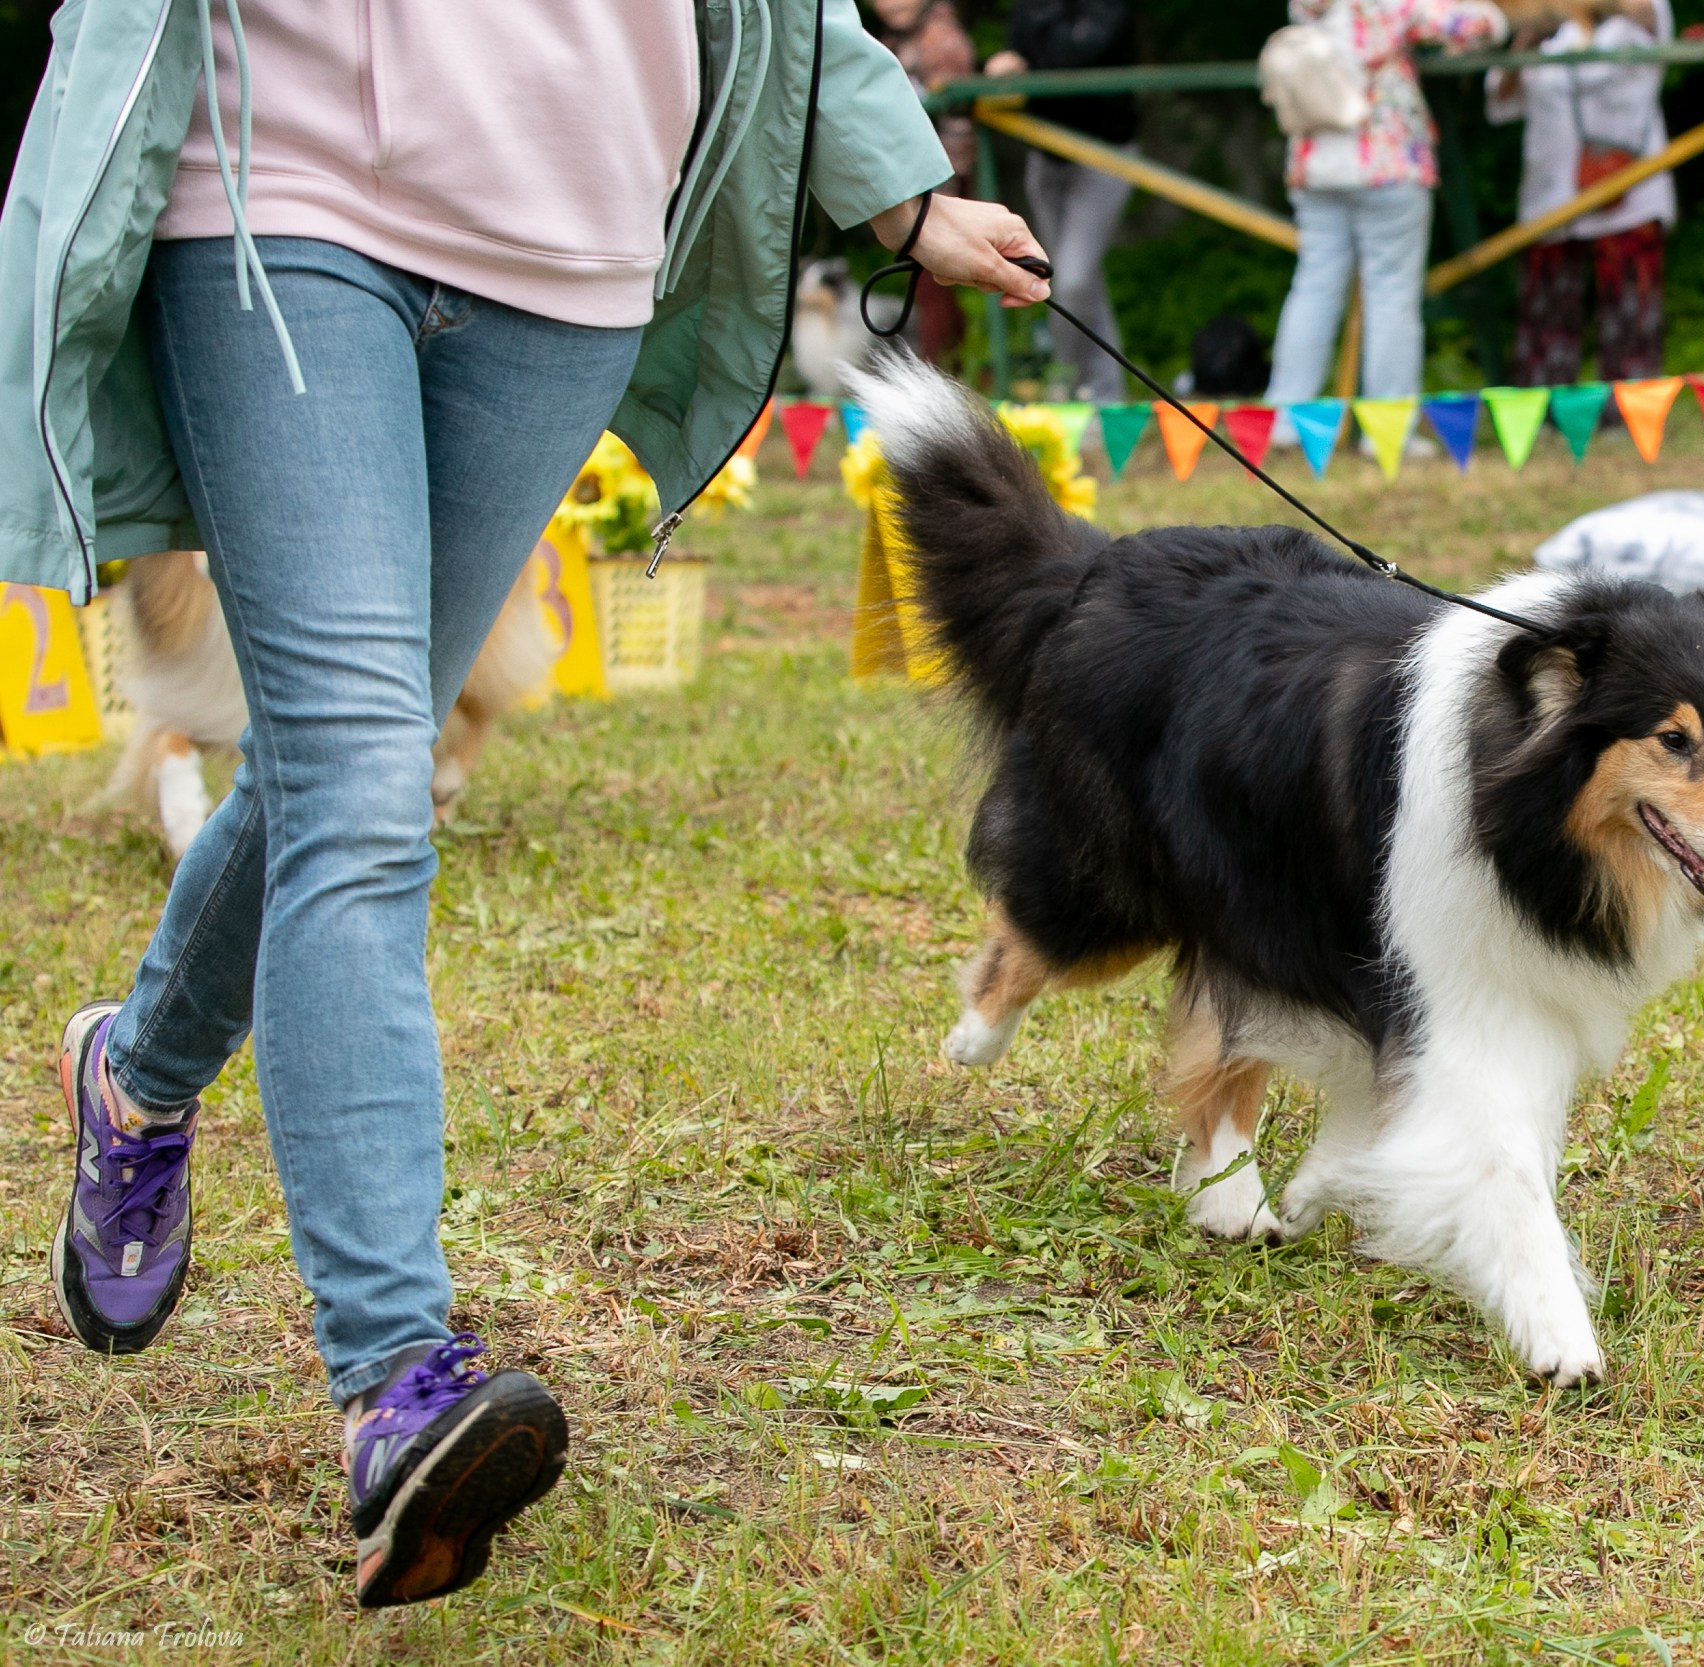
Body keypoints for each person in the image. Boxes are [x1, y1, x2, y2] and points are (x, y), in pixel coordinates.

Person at [0, 0, 1046, 1611]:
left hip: (573, 243)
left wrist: (898, 190)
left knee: (335, 759)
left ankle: (135, 1078)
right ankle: (396, 1376)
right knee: (364, 780)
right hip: (285, 186)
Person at [1264, 0, 1511, 407]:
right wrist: (1500, 18)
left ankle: (1285, 417)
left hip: (1316, 163)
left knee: (1314, 288)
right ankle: (1388, 426)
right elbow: (1471, 24)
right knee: (1391, 295)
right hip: (1386, 160)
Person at [1489, 0, 1676, 387]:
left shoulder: (1638, 17)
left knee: (1630, 321)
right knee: (1546, 321)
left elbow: (1646, 16)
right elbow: (1501, 100)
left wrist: (1569, 8)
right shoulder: (1544, 24)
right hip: (1550, 194)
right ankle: (1540, 411)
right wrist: (1532, 30)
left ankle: (1629, 412)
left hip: (1630, 193)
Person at [988, 0, 1141, 402]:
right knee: (1076, 283)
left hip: (1104, 153)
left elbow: (1078, 52)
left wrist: (1026, 62)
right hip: (1045, 156)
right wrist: (1008, 60)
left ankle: (1072, 388)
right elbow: (1015, 50)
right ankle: (1104, 396)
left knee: (1071, 281)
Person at [872, 0, 982, 368]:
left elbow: (957, 124)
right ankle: (954, 367)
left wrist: (941, 192)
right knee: (932, 282)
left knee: (933, 280)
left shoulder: (941, 40)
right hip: (908, 178)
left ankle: (935, 370)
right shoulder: (895, 40)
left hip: (940, 179)